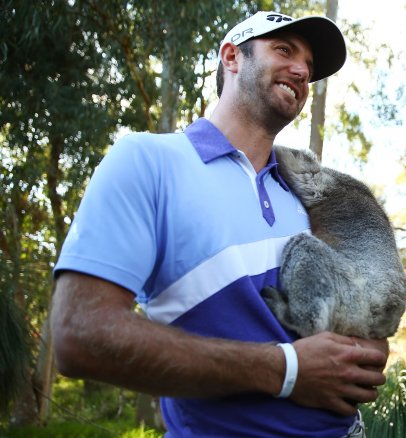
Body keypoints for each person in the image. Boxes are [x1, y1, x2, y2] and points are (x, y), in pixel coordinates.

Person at [50, 11, 388, 437]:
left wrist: (363, 352)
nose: (302, 70)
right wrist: (285, 370)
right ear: (232, 57)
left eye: (309, 66)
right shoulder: (147, 160)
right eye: (284, 49)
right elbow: (80, 333)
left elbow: (363, 334)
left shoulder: (309, 196)